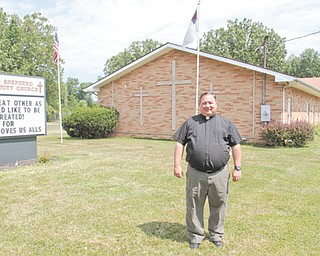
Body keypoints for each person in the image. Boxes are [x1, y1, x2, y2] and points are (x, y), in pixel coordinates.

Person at [173, 92, 242, 249]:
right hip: (196, 172)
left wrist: (237, 167)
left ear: (216, 105)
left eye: (210, 102)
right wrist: (177, 165)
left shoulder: (226, 123)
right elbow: (179, 143)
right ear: (200, 105)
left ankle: (216, 234)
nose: (207, 105)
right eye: (204, 103)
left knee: (219, 203)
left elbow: (236, 145)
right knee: (194, 204)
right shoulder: (190, 123)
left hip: (220, 173)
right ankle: (196, 236)